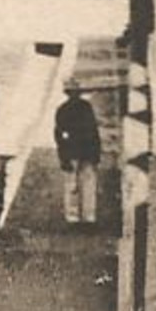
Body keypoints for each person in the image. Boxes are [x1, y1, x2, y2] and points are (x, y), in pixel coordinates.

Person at [54, 79, 101, 226]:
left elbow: (60, 135)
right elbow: (93, 131)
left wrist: (63, 155)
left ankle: (74, 216)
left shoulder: (63, 110)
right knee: (87, 184)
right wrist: (96, 152)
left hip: (72, 151)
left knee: (72, 184)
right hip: (86, 150)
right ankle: (88, 216)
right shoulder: (86, 107)